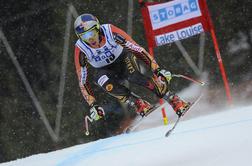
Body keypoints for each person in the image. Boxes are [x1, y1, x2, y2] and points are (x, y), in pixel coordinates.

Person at [73, 13, 189, 123]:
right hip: (105, 70)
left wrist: (157, 70)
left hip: (123, 59)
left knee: (134, 76)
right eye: (84, 36)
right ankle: (138, 103)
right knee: (104, 82)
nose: (90, 39)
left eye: (91, 33)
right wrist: (93, 105)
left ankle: (173, 99)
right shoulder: (81, 49)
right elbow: (82, 81)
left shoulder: (110, 31)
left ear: (97, 28)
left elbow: (137, 49)